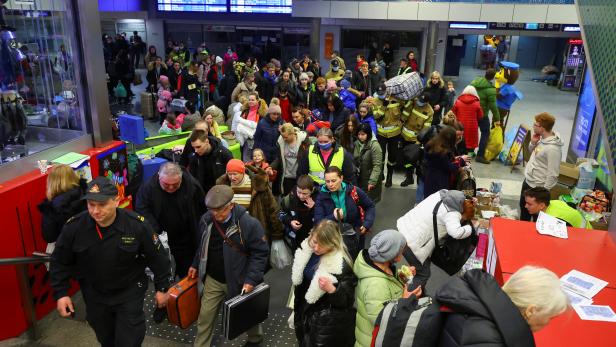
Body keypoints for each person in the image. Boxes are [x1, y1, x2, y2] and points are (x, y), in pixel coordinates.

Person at [50, 177, 173, 347]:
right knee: (106, 339)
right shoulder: (75, 227)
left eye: (102, 205)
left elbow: (158, 258)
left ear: (116, 201)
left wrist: (162, 288)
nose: (95, 211)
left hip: (128, 292)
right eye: (91, 205)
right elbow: (59, 261)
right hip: (95, 295)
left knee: (129, 341)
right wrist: (61, 293)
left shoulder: (136, 225)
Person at [189, 185, 269, 347]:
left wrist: (251, 280)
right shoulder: (206, 220)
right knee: (205, 317)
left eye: (220, 210)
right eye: (212, 210)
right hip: (214, 279)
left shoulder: (249, 224)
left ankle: (255, 338)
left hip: (240, 280)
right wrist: (196, 264)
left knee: (246, 313)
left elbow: (260, 254)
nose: (216, 215)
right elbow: (202, 246)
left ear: (231, 205)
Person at [436, 266, 569, 347]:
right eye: (550, 317)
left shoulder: (480, 304)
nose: (548, 323)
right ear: (531, 311)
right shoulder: (491, 341)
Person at [292, 219, 357, 347]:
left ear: (332, 244)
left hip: (321, 321)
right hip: (303, 310)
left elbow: (347, 300)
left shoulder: (340, 265)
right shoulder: (306, 250)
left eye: (322, 245)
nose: (316, 247)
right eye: (314, 241)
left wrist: (332, 290)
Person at [135, 163, 206, 278]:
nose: (171, 188)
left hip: (186, 239)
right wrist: (155, 230)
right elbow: (142, 208)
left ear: (181, 177)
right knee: (164, 272)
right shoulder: (148, 187)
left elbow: (202, 209)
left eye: (176, 184)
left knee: (187, 273)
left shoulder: (192, 186)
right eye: (166, 184)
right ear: (159, 176)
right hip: (162, 238)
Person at [397, 189, 474, 290]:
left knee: (422, 265)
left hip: (405, 228)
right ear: (461, 211)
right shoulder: (452, 213)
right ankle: (408, 298)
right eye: (463, 218)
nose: (462, 220)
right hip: (412, 242)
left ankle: (419, 292)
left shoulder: (442, 194)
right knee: (423, 274)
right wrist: (470, 228)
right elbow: (456, 232)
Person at [354, 230, 420, 347]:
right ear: (394, 255)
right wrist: (404, 301)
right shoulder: (376, 285)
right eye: (402, 250)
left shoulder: (380, 266)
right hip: (374, 342)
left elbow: (390, 284)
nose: (404, 252)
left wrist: (405, 276)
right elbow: (382, 322)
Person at [217, 159, 284, 244]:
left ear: (243, 172)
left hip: (256, 232)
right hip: (233, 234)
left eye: (235, 174)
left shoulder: (258, 185)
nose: (232, 177)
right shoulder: (223, 186)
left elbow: (272, 209)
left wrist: (277, 233)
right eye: (230, 174)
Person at [314, 166, 376, 250]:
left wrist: (367, 224)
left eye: (333, 180)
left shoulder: (354, 191)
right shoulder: (321, 197)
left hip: (354, 236)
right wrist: (334, 217)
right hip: (332, 239)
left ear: (341, 178)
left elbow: (370, 206)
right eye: (327, 181)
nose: (330, 184)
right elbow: (318, 222)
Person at [520, 113, 563, 221]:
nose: (533, 126)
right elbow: (532, 153)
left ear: (542, 128)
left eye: (535, 124)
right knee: (523, 210)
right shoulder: (541, 139)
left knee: (536, 218)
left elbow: (553, 174)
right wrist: (533, 143)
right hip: (528, 181)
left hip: (537, 187)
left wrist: (543, 193)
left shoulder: (553, 149)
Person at [37, 164, 87, 244]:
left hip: (68, 248)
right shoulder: (85, 193)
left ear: (51, 182)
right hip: (89, 241)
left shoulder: (51, 207)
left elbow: (49, 237)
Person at [423, 126, 468, 198]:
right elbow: (449, 167)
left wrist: (455, 159)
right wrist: (461, 160)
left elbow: (442, 163)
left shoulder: (433, 145)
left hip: (430, 180)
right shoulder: (441, 152)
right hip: (439, 183)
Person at [187, 130, 234, 195]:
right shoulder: (194, 157)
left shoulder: (224, 154)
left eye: (198, 147)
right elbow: (193, 180)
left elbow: (233, 177)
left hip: (222, 194)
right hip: (203, 195)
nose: (196, 150)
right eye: (194, 147)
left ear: (207, 141)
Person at [471, 68, 501, 164]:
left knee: (471, 131)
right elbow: (493, 106)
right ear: (493, 77)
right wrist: (497, 118)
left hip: (472, 112)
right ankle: (480, 155)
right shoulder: (490, 89)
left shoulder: (474, 82)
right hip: (482, 114)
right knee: (485, 133)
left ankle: (469, 151)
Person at [279, 175, 317, 251]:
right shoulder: (290, 198)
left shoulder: (319, 199)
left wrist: (314, 208)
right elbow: (280, 213)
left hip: (314, 241)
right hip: (295, 240)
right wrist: (290, 221)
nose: (301, 196)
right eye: (299, 192)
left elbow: (324, 220)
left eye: (305, 193)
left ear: (312, 190)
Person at [272, 123, 311, 195]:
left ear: (292, 134)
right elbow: (278, 158)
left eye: (286, 137)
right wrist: (271, 167)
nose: (284, 139)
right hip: (287, 176)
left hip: (299, 176)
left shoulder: (303, 141)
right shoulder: (281, 142)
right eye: (282, 136)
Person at [523, 186, 588, 228]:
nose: (525, 206)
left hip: (584, 234)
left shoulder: (550, 221)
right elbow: (571, 205)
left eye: (529, 204)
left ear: (542, 205)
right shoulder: (553, 202)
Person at [353, 124, 382, 204]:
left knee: (369, 204)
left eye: (363, 134)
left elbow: (377, 165)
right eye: (359, 134)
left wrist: (372, 182)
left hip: (370, 180)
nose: (360, 137)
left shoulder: (375, 146)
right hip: (360, 179)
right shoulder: (357, 143)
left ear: (368, 134)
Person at [450, 85, 483, 154]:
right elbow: (480, 116)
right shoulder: (477, 103)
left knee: (460, 137)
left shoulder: (458, 101)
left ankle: (459, 151)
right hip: (472, 125)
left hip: (459, 124)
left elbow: (453, 113)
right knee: (471, 139)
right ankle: (471, 152)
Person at [253, 98, 284, 166]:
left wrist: (282, 132)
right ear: (269, 113)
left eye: (278, 114)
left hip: (276, 156)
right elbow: (257, 139)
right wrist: (255, 154)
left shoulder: (281, 122)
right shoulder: (262, 123)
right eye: (274, 114)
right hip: (264, 155)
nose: (276, 116)